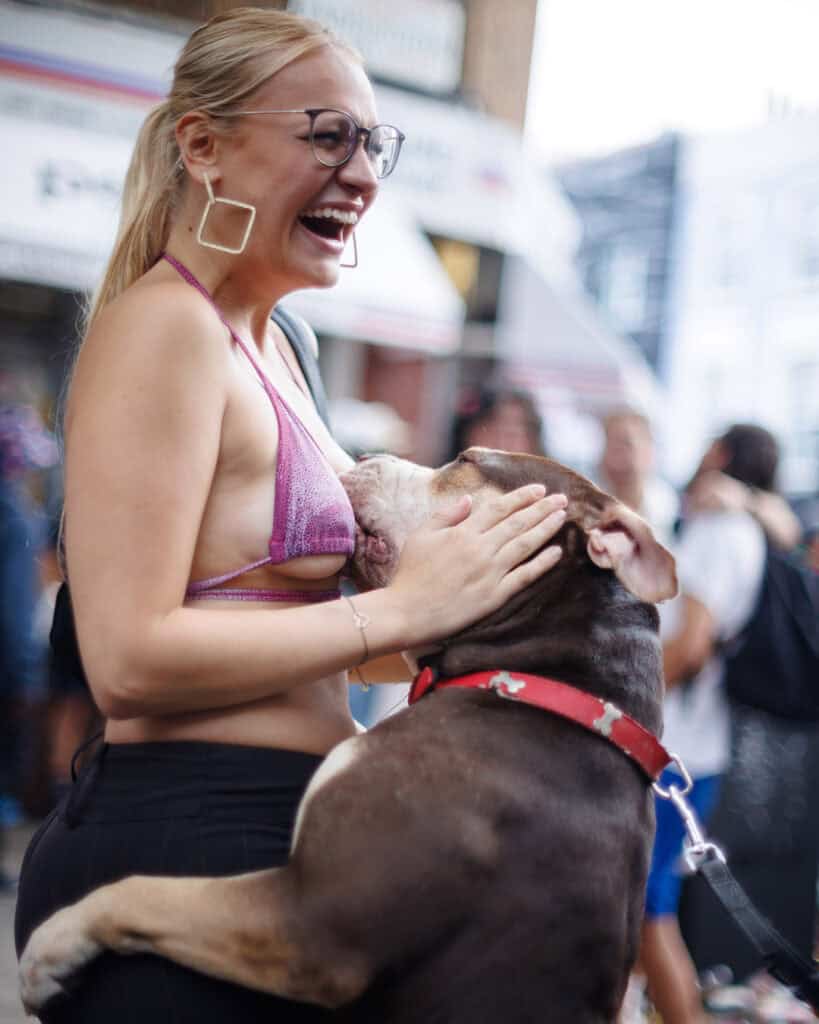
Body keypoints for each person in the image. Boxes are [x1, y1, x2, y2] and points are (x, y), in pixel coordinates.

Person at [13, 9, 568, 1022]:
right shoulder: (167, 328)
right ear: (203, 144)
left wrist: (509, 600)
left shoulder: (288, 347)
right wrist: (400, 614)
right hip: (181, 833)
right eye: (326, 136)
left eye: (372, 145)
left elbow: (315, 647)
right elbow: (127, 659)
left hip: (305, 842)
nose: (361, 173)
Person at [638, 423, 782, 1024]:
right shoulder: (743, 528)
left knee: (646, 908)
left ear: (719, 453)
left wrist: (627, 704)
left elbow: (691, 644)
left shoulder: (721, 530)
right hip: (695, 750)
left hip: (672, 750)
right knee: (635, 907)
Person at [597, 406, 679, 546]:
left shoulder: (669, 508)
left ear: (650, 451)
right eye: (610, 443)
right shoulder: (583, 505)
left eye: (625, 444)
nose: (617, 455)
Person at [448, 384, 546, 460]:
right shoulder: (443, 480)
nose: (501, 444)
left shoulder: (549, 483)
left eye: (512, 435)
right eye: (491, 432)